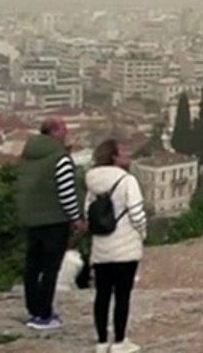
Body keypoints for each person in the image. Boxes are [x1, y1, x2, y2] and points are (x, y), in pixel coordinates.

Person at [15, 117, 85, 331]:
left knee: (32, 266)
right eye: (64, 128)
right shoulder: (59, 158)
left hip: (32, 219)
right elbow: (66, 193)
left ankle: (34, 309)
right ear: (54, 131)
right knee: (50, 268)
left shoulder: (29, 157)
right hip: (54, 220)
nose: (67, 132)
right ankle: (45, 313)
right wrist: (76, 218)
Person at [85, 139, 147, 353]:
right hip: (125, 246)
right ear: (114, 156)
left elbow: (87, 213)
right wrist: (142, 234)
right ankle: (120, 341)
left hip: (101, 247)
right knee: (122, 296)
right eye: (123, 152)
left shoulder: (92, 183)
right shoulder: (127, 180)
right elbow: (137, 213)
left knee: (102, 295)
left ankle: (102, 342)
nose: (128, 155)